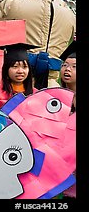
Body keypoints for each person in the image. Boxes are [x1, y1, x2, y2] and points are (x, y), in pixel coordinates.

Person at [0, 0, 76, 89]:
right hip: (52, 75)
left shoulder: (20, 5)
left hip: (26, 73)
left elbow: (0, 6)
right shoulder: (69, 14)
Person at [0, 43, 38, 109]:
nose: (20, 71)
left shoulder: (37, 95)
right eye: (15, 67)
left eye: (24, 67)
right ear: (6, 69)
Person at [58, 40, 76, 199]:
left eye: (74, 66)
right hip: (58, 164)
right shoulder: (54, 97)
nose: (67, 69)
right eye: (64, 65)